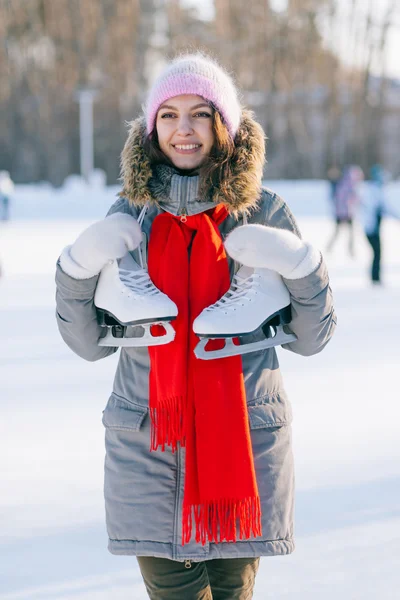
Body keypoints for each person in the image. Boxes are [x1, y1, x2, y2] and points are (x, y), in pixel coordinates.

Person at [55, 54, 336, 600]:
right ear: (151, 127)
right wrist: (75, 268)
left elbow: (313, 336)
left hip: (244, 449)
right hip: (148, 447)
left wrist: (302, 266)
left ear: (225, 126)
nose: (184, 130)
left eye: (200, 114)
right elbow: (85, 342)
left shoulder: (264, 211)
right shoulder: (128, 215)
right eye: (169, 115)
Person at [361, 164, 400, 285]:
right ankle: (375, 278)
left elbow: (385, 208)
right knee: (377, 252)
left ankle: (376, 277)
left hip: (374, 228)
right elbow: (377, 208)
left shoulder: (376, 190)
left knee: (377, 252)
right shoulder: (372, 191)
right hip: (371, 228)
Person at [326, 164, 363, 257]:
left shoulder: (346, 184)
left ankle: (349, 250)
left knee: (346, 233)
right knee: (342, 232)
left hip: (345, 213)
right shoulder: (347, 185)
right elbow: (343, 200)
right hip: (344, 213)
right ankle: (333, 248)